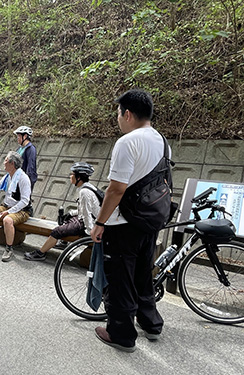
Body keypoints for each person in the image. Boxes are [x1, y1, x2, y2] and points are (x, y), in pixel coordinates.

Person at [90, 89, 166, 353]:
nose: (118, 118)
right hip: (149, 221)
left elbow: (116, 189)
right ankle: (151, 324)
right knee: (143, 274)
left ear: (128, 114)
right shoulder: (161, 139)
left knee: (121, 279)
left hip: (124, 223)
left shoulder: (127, 142)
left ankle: (121, 333)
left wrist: (100, 223)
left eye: (118, 113)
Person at [24, 162, 101, 261]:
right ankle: (64, 243)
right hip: (87, 220)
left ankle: (40, 253)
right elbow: (84, 210)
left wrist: (89, 233)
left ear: (79, 177)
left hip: (89, 224)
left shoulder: (84, 192)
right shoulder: (88, 187)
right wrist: (70, 213)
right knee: (67, 218)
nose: (70, 176)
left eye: (72, 174)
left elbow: (87, 214)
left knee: (57, 231)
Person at [13, 126, 38, 191]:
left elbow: (31, 167)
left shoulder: (30, 149)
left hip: (24, 181)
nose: (17, 138)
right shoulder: (20, 149)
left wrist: (28, 182)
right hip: (16, 180)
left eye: (19, 136)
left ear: (25, 136)